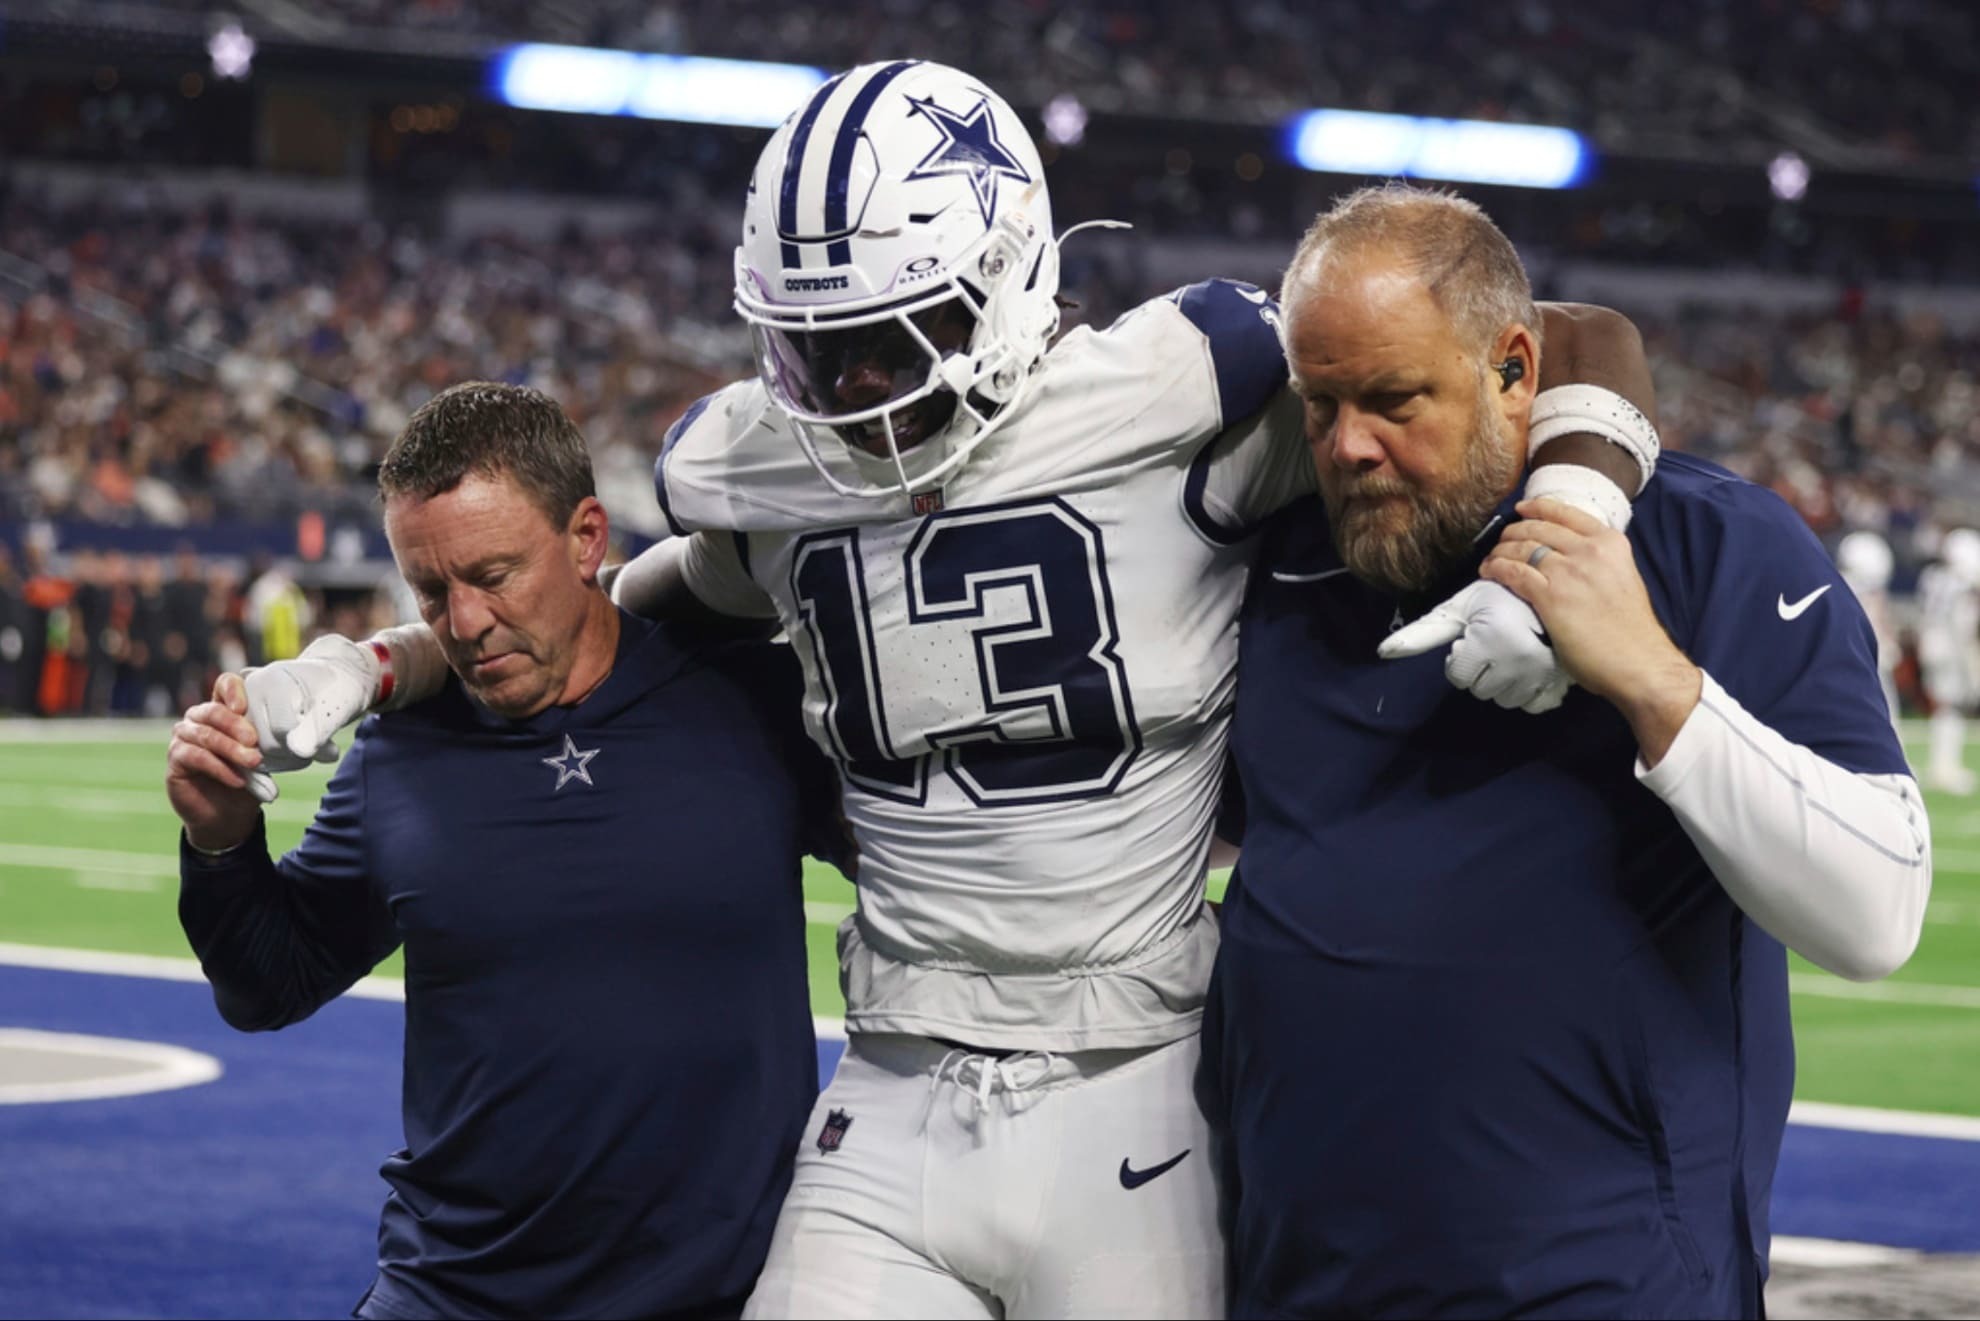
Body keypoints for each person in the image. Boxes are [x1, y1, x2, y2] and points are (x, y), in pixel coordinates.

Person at [236, 63, 1659, 1320]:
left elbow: (1565, 337)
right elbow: (588, 613)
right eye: (812, 344)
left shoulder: (1184, 390)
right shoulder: (762, 476)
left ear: (1008, 278)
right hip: (892, 1081)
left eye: (891, 335)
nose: (849, 387)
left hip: (1136, 1076)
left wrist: (1570, 529)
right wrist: (374, 661)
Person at [1204, 184, 1931, 1319]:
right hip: (1296, 1284)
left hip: (1607, 1289)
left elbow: (1877, 913)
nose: (1349, 445)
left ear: (1514, 371)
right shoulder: (1278, 564)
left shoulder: (1705, 544)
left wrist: (1651, 677)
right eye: (1321, 403)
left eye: (1394, 400)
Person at [165, 382, 847, 1320]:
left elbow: (932, 875)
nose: (466, 621)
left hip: (721, 1296)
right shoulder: (398, 750)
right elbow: (267, 984)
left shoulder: (751, 701)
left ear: (587, 536)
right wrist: (221, 838)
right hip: (453, 1292)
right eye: (431, 590)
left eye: (494, 575)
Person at [1917, 527, 1980, 794]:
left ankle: (1943, 766)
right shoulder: (1961, 583)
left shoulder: (1933, 577)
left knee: (1944, 707)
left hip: (1931, 643)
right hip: (1951, 647)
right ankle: (1944, 768)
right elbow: (1962, 623)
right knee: (1951, 707)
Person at [1836, 528, 1901, 728]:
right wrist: (1889, 644)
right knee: (1884, 704)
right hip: (1866, 650)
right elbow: (1877, 619)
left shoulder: (1839, 583)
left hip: (1844, 651)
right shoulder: (1866, 589)